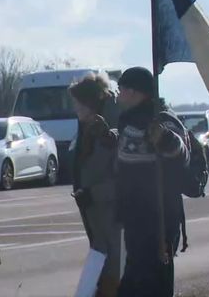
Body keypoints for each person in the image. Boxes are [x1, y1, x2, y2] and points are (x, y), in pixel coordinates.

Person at [115, 67, 189, 297]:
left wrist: (165, 139)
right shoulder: (129, 122)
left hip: (159, 219)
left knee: (152, 283)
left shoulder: (163, 120)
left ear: (136, 92)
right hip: (135, 217)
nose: (118, 96)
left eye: (122, 90)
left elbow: (182, 156)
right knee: (140, 281)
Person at [69, 73, 122, 297]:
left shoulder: (108, 132)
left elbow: (123, 178)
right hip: (96, 216)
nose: (75, 108)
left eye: (77, 103)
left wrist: (93, 194)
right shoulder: (86, 130)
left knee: (113, 274)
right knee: (102, 274)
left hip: (113, 217)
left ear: (90, 104)